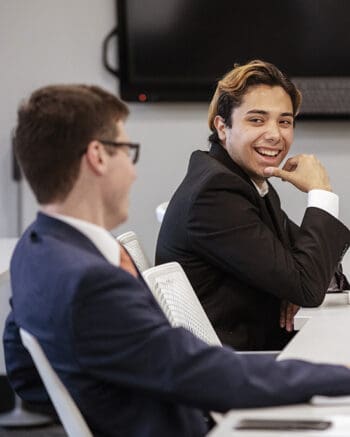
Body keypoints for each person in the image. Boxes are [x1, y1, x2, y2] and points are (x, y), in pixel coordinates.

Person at [4, 84, 350, 437]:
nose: (134, 172)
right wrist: (339, 374)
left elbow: (23, 370)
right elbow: (201, 373)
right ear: (98, 157)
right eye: (128, 151)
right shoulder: (91, 283)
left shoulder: (35, 250)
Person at [156, 60, 350, 351]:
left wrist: (295, 281)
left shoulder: (249, 182)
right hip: (238, 368)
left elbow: (313, 271)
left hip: (257, 353)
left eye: (284, 121)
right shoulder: (216, 193)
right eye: (257, 120)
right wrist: (321, 192)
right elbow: (307, 284)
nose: (274, 134)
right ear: (222, 127)